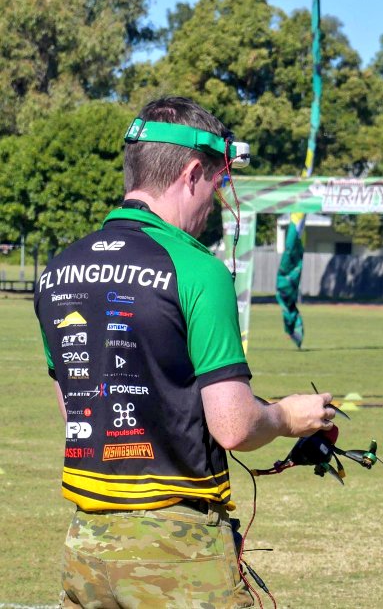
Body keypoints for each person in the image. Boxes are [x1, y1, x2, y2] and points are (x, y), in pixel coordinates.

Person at [34, 96, 337, 607]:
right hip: (177, 551)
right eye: (218, 184)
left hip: (85, 549)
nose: (215, 203)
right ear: (193, 172)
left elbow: (77, 410)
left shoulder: (59, 269)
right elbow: (234, 426)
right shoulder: (198, 270)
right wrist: (287, 415)